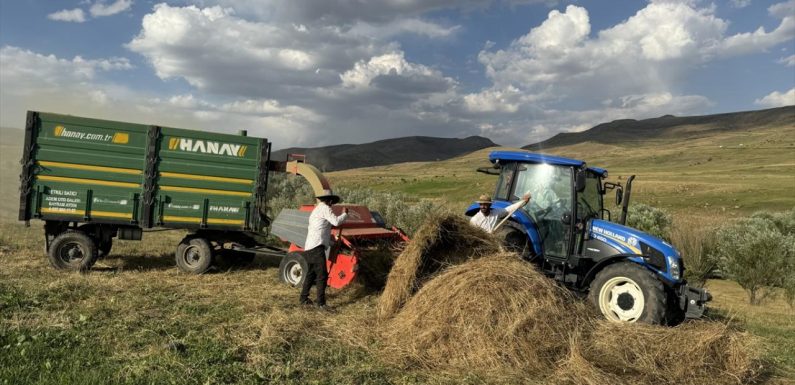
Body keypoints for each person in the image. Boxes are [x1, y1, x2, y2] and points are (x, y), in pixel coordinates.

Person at [300, 189, 348, 310]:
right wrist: (345, 214)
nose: (332, 204)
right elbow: (336, 222)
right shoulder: (325, 209)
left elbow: (321, 231)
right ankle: (321, 304)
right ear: (329, 200)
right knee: (322, 276)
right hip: (316, 248)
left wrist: (332, 243)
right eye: (332, 202)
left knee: (311, 275)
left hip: (309, 247)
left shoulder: (316, 210)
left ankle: (303, 299)